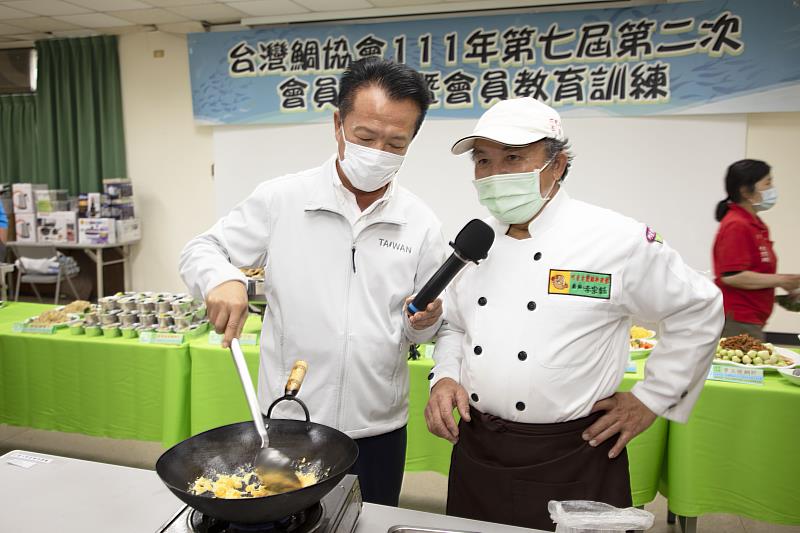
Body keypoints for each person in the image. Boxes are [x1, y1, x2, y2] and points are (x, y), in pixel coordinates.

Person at [424, 97, 724, 530]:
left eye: (512, 158)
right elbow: (454, 323)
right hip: (479, 447)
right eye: (483, 161)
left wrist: (652, 399)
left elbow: (698, 307)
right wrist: (446, 375)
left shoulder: (613, 240)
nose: (494, 175)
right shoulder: (477, 242)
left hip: (575, 451)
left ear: (558, 163)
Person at [180, 58, 446, 506]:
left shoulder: (420, 223)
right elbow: (200, 250)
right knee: (285, 520)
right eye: (365, 136)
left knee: (368, 520)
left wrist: (425, 322)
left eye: (395, 142)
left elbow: (425, 328)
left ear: (412, 140)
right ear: (338, 123)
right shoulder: (282, 199)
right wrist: (223, 277)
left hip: (377, 427)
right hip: (288, 423)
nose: (379, 150)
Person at [712, 159, 800, 339]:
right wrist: (781, 280)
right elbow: (732, 276)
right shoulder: (737, 224)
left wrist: (786, 284)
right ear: (746, 191)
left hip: (753, 319)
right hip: (738, 319)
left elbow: (755, 273)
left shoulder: (756, 226)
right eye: (767, 183)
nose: (772, 188)